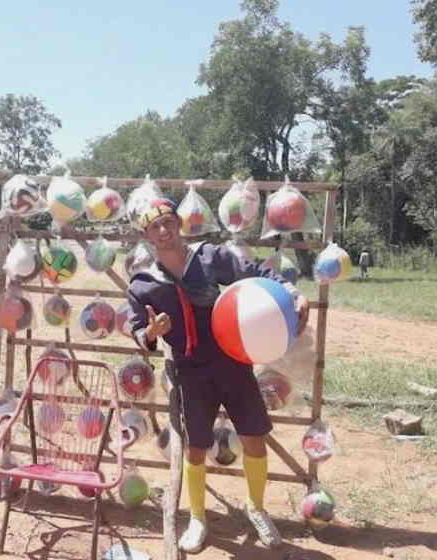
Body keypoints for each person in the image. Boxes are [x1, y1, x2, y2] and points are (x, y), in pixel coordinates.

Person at [126, 198, 309, 553]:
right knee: (196, 448)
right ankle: (197, 518)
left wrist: (291, 292)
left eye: (168, 221)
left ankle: (256, 508)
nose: (163, 230)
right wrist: (150, 333)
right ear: (146, 234)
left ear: (178, 223)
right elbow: (137, 328)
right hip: (190, 372)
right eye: (154, 226)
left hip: (233, 361)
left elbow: (257, 272)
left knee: (254, 436)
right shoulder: (144, 283)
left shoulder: (210, 257)